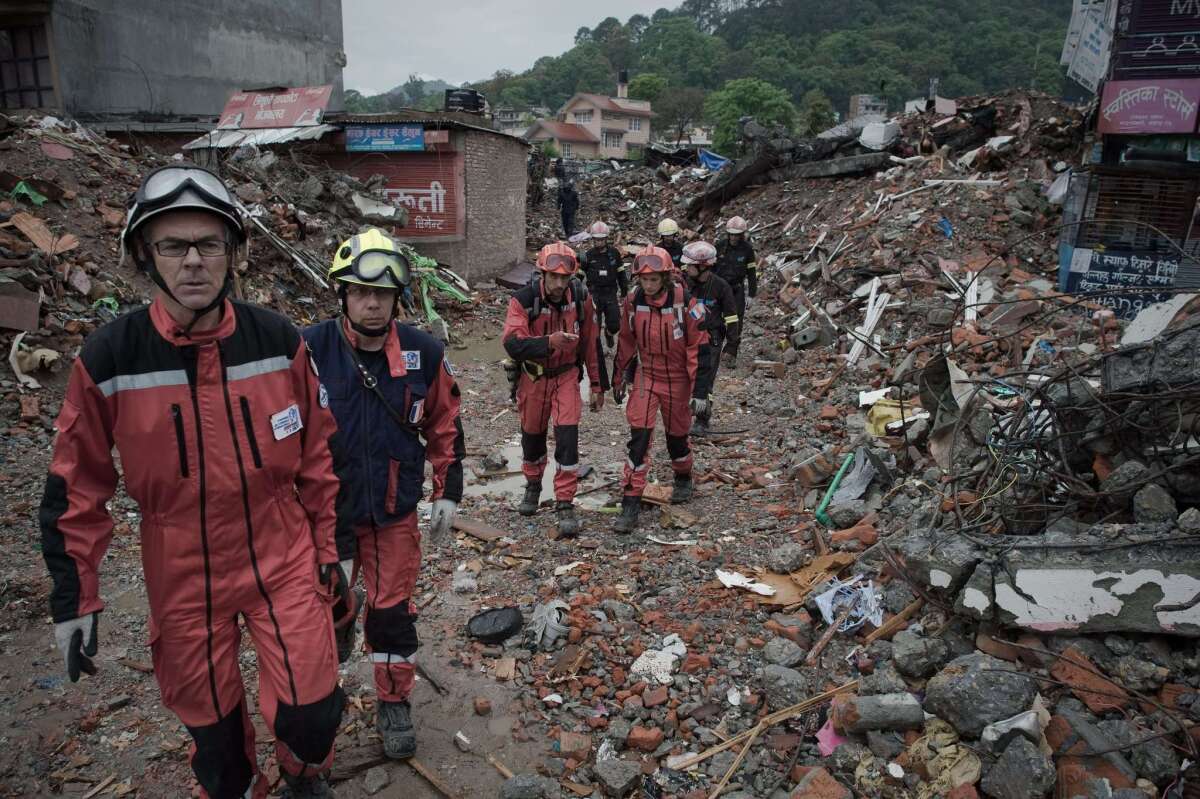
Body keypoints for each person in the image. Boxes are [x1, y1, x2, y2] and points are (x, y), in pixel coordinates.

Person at [40, 164, 353, 799]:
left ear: (232, 254)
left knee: (314, 708)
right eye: (172, 245)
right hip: (179, 562)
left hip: (281, 547)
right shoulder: (110, 357)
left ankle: (303, 770)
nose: (192, 261)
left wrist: (332, 549)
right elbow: (78, 483)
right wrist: (75, 596)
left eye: (208, 243)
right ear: (144, 257)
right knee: (212, 737)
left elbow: (321, 456)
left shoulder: (277, 340)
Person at [303, 228, 465, 761]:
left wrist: (449, 489)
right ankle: (326, 682)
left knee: (392, 614)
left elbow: (446, 423)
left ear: (398, 298)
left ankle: (393, 701)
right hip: (327, 518)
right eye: (359, 292)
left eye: (383, 294)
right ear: (342, 294)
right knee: (327, 610)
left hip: (394, 511)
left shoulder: (424, 351)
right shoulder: (307, 350)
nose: (372, 303)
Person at [502, 242, 605, 537]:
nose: (559, 284)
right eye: (554, 277)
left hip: (566, 376)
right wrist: (549, 342)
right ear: (542, 273)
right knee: (532, 437)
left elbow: (590, 343)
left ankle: (564, 502)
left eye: (565, 278)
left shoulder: (581, 298)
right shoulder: (523, 300)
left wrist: (597, 385)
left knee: (567, 437)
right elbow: (512, 343)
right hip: (533, 378)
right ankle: (533, 486)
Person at [610, 245, 705, 534]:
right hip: (646, 375)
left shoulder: (685, 303)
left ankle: (684, 475)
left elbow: (698, 347)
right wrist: (618, 377)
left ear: (665, 278)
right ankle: (630, 501)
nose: (648, 285)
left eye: (654, 280)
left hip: (678, 378)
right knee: (639, 438)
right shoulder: (631, 301)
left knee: (677, 438)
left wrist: (699, 390)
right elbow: (625, 340)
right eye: (644, 280)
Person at [681, 241, 740, 435]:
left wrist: (732, 345)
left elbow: (731, 317)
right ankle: (681, 415)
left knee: (705, 382)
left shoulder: (721, 287)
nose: (686, 268)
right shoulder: (684, 284)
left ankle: (702, 419)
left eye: (690, 265)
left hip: (711, 340)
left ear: (702, 266)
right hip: (687, 339)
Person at [579, 220, 628, 350]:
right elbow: (579, 276)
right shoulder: (587, 256)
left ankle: (608, 334)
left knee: (615, 324)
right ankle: (597, 351)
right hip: (594, 294)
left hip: (610, 293)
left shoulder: (614, 254)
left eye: (601, 240)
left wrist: (624, 291)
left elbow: (621, 273)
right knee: (595, 325)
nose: (599, 242)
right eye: (596, 240)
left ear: (606, 239)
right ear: (593, 239)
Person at [715, 216, 757, 361]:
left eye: (736, 234)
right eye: (731, 234)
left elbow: (752, 273)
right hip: (719, 289)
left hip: (736, 289)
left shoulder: (747, 250)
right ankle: (715, 347)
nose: (733, 237)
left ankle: (731, 350)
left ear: (742, 235)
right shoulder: (720, 246)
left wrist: (751, 294)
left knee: (736, 320)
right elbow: (711, 268)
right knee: (716, 318)